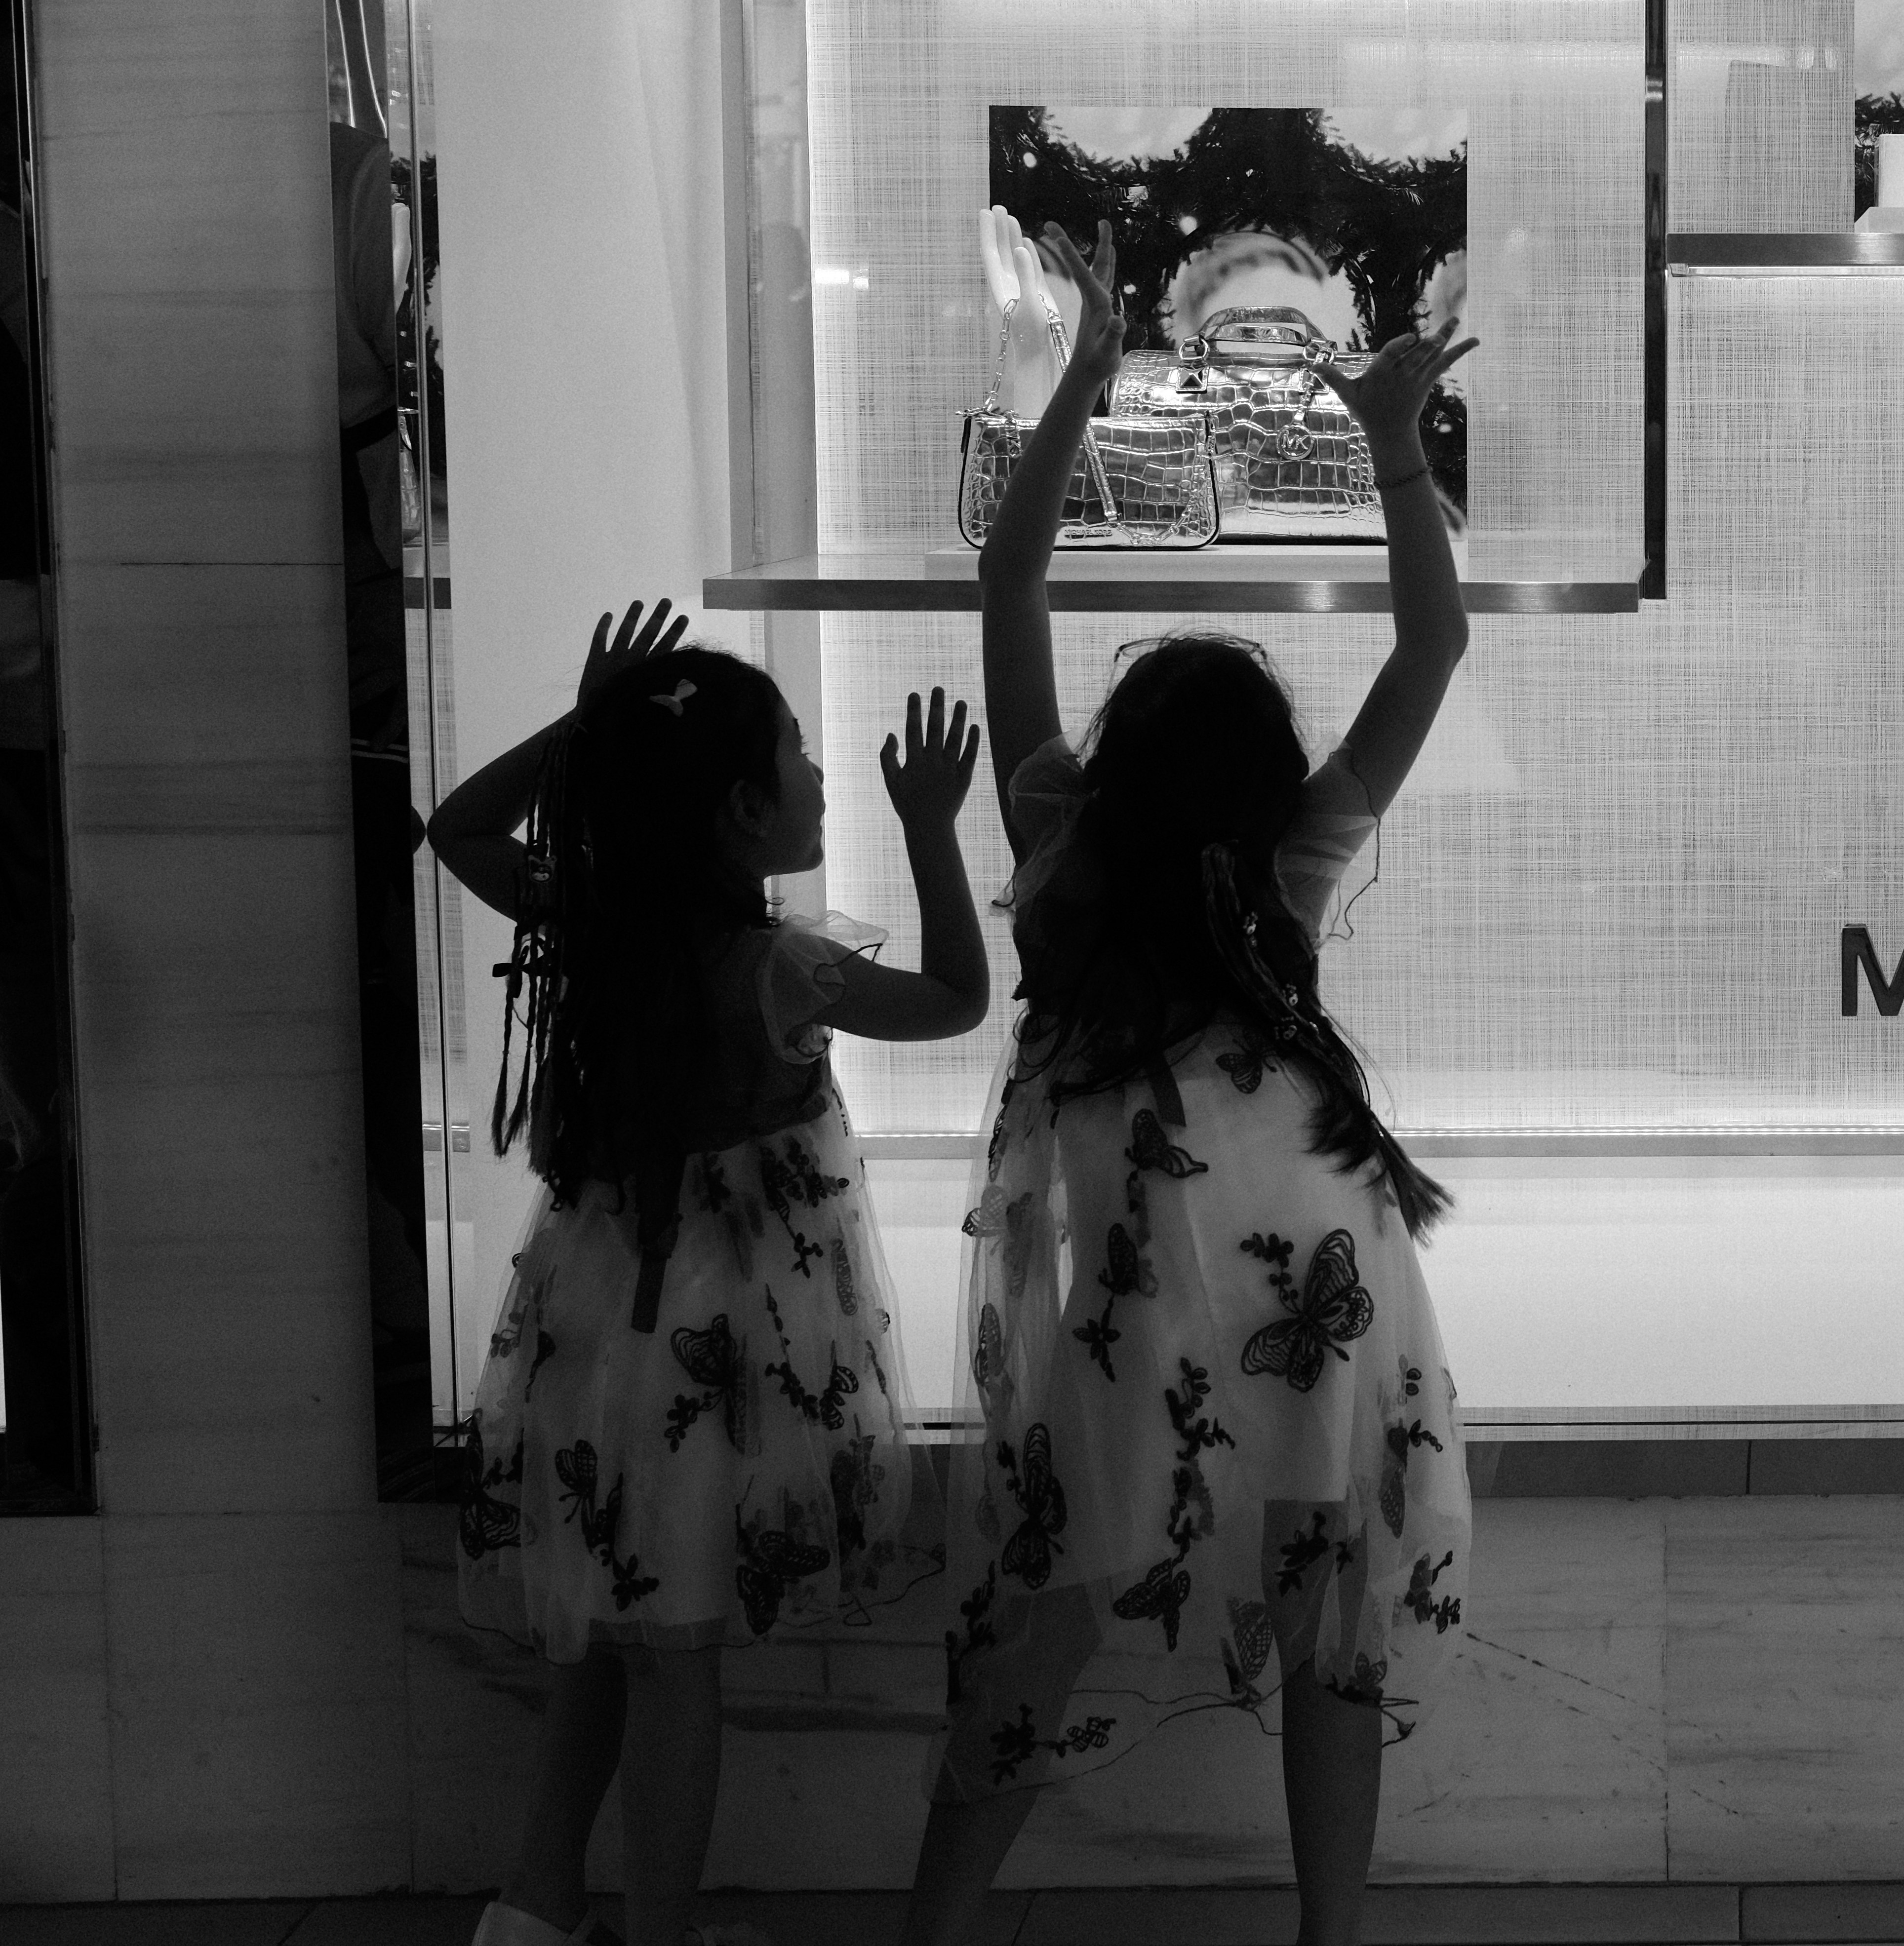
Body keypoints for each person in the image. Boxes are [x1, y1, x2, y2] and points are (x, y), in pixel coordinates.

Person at [902, 229, 1474, 1946]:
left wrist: (1075, 391)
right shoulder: (1283, 864)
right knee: (1330, 1615)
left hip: (1138, 1304)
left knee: (1043, 1618)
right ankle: (1330, 1936)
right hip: (1326, 1284)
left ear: (1125, 760)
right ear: (1264, 776)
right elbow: (1430, 649)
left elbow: (1008, 598)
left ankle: (926, 1932)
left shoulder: (1063, 854)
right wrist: (1389, 444)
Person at [430, 605, 988, 1946]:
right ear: (744, 810)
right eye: (795, 751)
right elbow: (959, 998)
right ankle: (654, 1931)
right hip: (715, 1352)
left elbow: (454, 831)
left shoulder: (596, 918)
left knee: (613, 1643)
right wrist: (928, 828)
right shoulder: (780, 966)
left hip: (591, 1333)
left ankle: (537, 1903)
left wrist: (593, 727)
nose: (814, 767)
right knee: (674, 1658)